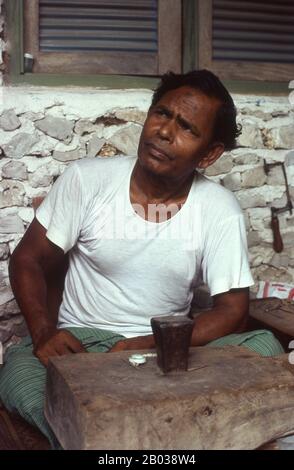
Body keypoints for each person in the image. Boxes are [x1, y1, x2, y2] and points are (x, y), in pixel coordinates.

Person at [0, 70, 284, 448]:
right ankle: (139, 435)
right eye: (162, 113)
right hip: (85, 346)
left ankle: (121, 436)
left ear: (210, 153)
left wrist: (150, 344)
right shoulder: (87, 179)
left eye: (187, 128)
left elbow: (232, 311)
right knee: (18, 374)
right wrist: (43, 333)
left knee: (265, 347)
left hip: (167, 351)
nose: (165, 131)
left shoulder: (219, 209)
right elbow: (27, 260)